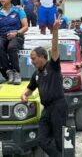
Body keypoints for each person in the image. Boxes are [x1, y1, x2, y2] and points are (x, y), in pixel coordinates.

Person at [21, 14, 67, 157]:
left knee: (60, 141)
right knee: (41, 140)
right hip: (46, 109)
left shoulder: (53, 66)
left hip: (58, 106)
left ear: (42, 57)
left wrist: (55, 30)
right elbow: (29, 89)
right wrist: (24, 95)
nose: (32, 61)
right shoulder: (36, 74)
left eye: (34, 59)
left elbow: (54, 48)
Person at [0, 0, 28, 84]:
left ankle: (17, 72)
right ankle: (8, 71)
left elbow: (25, 27)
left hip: (17, 35)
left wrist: (16, 33)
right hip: (2, 36)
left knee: (11, 47)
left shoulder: (18, 10)